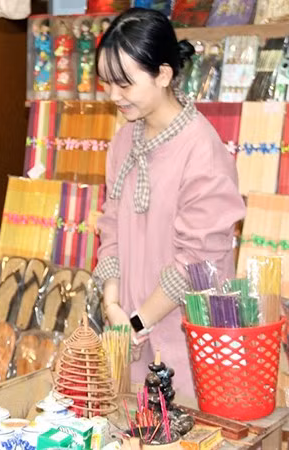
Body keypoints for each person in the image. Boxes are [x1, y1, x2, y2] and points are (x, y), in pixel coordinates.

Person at [92, 8, 245, 399]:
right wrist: (113, 305)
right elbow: (111, 226)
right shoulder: (124, 140)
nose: (113, 96)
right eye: (107, 83)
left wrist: (136, 322)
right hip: (128, 333)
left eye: (124, 84)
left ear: (163, 75)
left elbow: (197, 261)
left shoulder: (202, 150)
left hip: (187, 340)